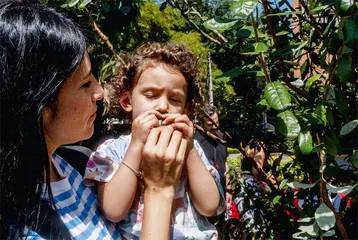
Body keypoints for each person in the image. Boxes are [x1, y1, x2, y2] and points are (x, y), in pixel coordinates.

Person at [0, 1, 187, 239]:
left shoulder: (81, 164)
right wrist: (159, 189)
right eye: (85, 83)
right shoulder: (21, 227)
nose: (99, 92)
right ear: (39, 103)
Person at [83, 42, 226, 239]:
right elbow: (113, 210)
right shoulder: (113, 150)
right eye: (151, 95)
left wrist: (190, 151)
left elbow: (210, 206)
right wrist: (136, 146)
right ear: (127, 101)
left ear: (186, 110)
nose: (162, 107)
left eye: (175, 100)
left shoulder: (191, 149)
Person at [193, 105, 231, 206]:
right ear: (201, 124)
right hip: (205, 196)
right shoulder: (195, 142)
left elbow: (225, 163)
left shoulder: (221, 137)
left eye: (217, 123)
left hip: (223, 192)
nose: (215, 127)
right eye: (210, 124)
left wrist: (228, 189)